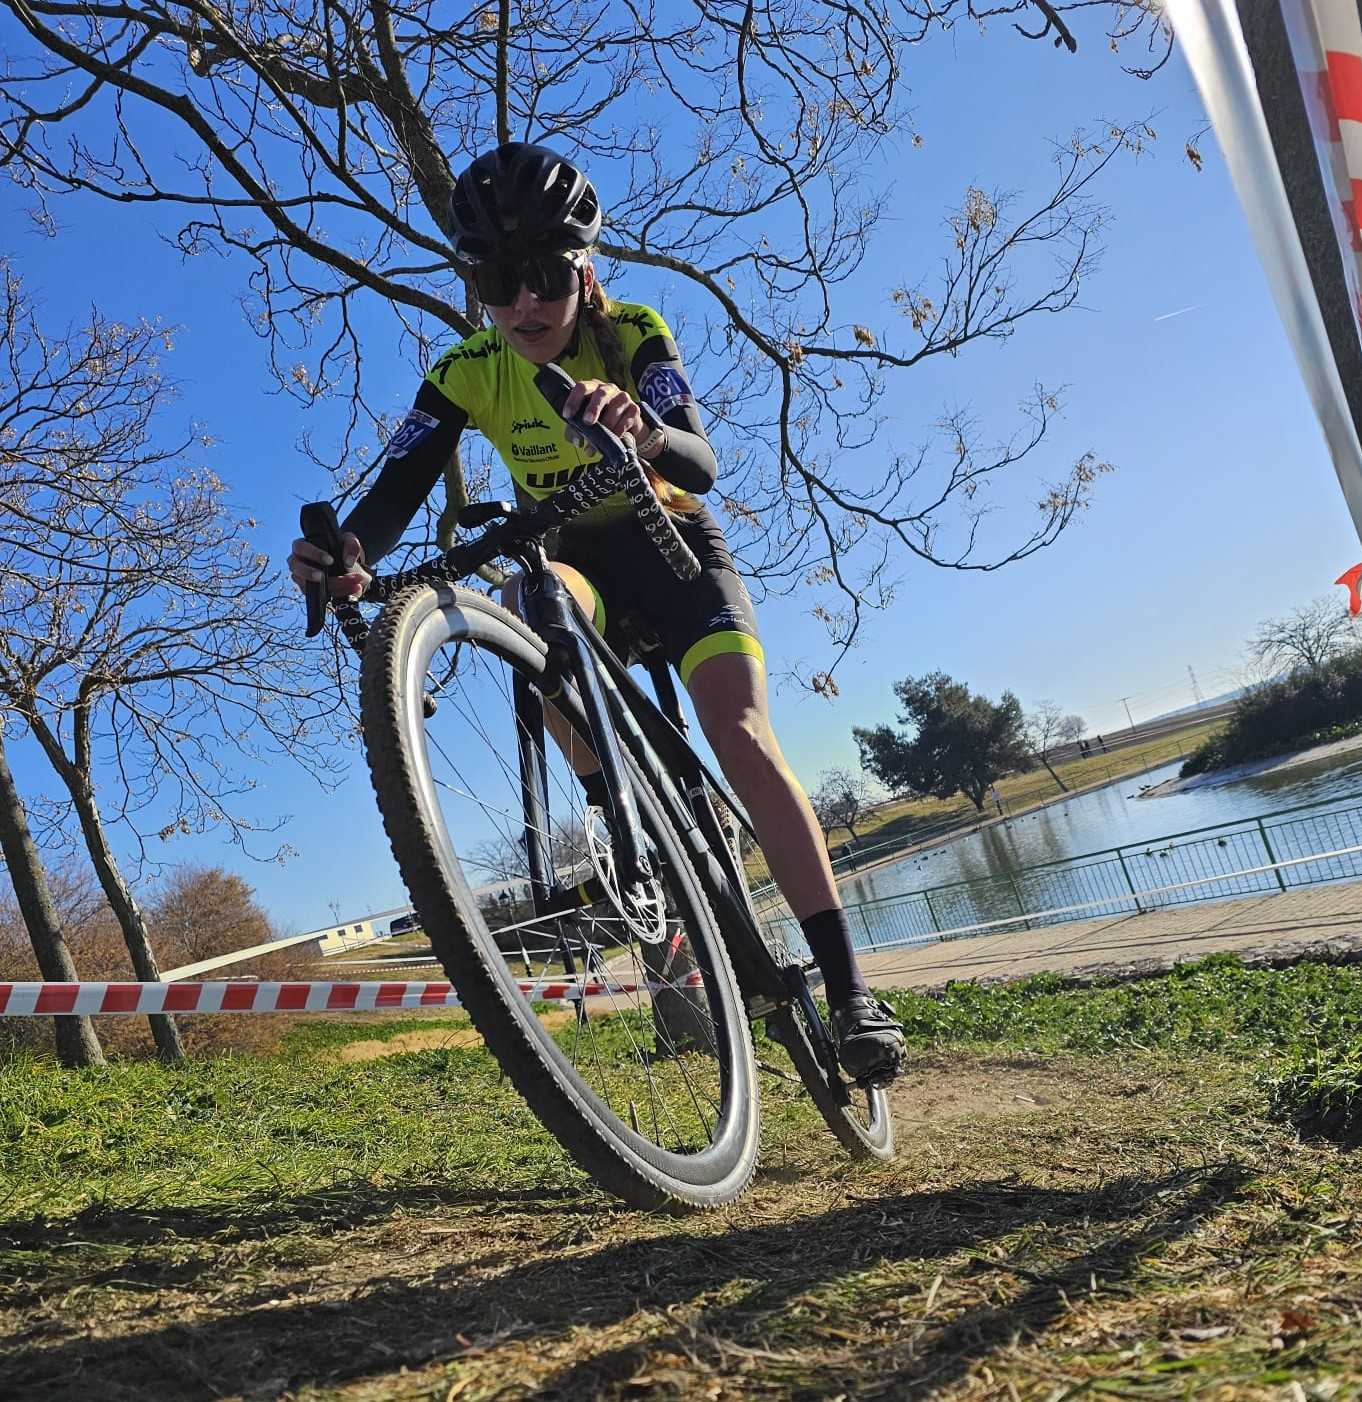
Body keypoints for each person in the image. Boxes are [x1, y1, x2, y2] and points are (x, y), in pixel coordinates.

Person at [288, 143, 904, 1083]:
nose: (524, 304)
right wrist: (347, 556)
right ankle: (636, 822)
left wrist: (643, 428)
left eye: (541, 276)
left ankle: (850, 983)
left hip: (674, 545)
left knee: (739, 735)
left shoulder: (633, 332)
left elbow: (699, 462)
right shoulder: (465, 369)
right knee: (530, 603)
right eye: (498, 280)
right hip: (576, 560)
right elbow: (395, 490)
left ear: (580, 269)